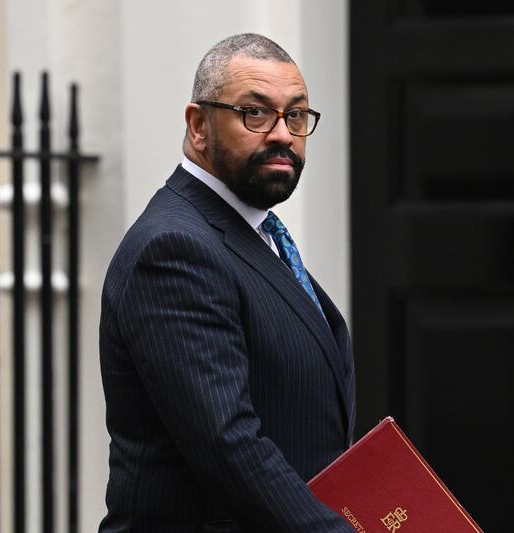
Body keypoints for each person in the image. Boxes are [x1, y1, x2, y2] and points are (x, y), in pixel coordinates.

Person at [98, 33, 356, 532]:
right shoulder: (175, 248)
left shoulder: (255, 233)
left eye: (296, 116)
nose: (282, 134)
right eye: (255, 114)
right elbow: (227, 442)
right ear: (198, 126)